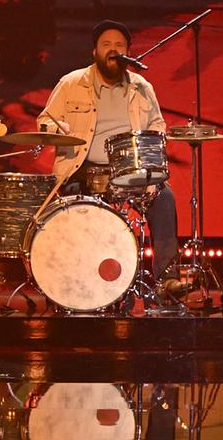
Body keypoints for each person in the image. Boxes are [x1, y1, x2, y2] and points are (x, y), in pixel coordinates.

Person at [36, 20, 179, 285]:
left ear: (127, 52)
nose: (113, 49)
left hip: (129, 171)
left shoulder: (141, 87)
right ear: (95, 52)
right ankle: (71, 281)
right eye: (106, 45)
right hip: (83, 170)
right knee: (69, 213)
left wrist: (150, 159)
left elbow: (157, 125)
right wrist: (60, 129)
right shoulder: (71, 83)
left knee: (164, 197)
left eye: (119, 45)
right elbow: (44, 120)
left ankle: (167, 280)